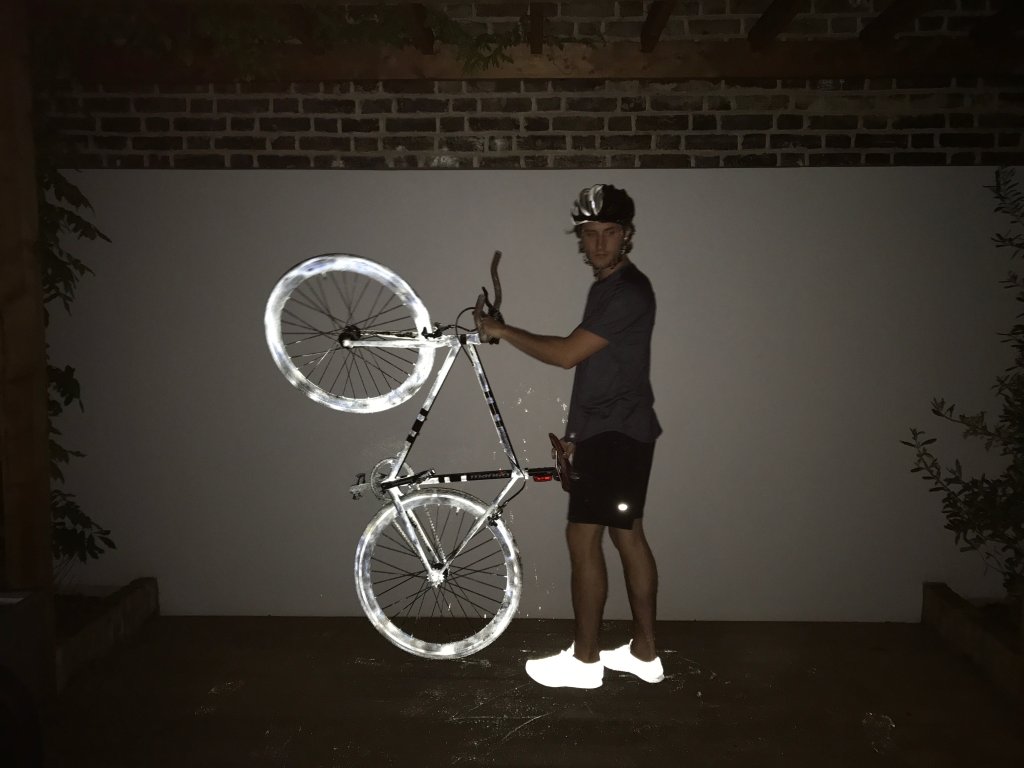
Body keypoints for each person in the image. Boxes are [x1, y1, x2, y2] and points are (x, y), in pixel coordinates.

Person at [475, 184, 663, 689]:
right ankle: (644, 654)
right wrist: (578, 434)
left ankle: (584, 663)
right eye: (590, 233)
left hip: (616, 434)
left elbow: (566, 355)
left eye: (609, 232)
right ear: (580, 238)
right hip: (615, 431)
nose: (599, 243)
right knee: (627, 536)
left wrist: (502, 331)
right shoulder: (610, 288)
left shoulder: (626, 292)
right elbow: (601, 370)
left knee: (585, 539)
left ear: (626, 235)